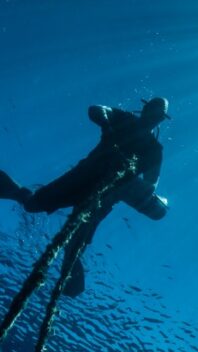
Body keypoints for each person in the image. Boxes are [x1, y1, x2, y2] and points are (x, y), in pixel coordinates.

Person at [0, 97, 172, 296]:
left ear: (161, 119)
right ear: (145, 109)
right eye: (152, 110)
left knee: (77, 241)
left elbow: (151, 183)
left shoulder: (154, 149)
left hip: (104, 196)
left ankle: (70, 264)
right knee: (32, 205)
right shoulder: (124, 118)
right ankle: (13, 189)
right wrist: (107, 126)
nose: (153, 117)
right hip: (81, 176)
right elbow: (96, 109)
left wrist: (127, 178)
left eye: (158, 115)